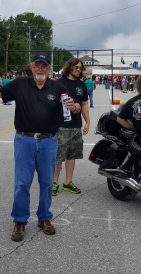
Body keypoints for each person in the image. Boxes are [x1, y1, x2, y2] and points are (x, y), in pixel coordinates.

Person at [0, 53, 80, 242]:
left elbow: (72, 108)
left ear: (49, 69)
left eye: (44, 65)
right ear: (32, 67)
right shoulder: (20, 83)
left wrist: (75, 106)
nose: (41, 68)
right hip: (24, 141)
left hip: (48, 141)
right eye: (37, 65)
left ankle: (44, 218)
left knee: (46, 183)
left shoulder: (58, 87)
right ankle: (20, 220)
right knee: (22, 183)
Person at [52, 57, 90, 196]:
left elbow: (85, 104)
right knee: (58, 157)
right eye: (76, 67)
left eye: (80, 68)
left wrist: (87, 122)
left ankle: (68, 182)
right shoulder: (58, 83)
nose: (78, 70)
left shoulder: (82, 85)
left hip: (75, 126)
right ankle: (54, 183)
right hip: (60, 126)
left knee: (72, 155)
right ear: (70, 67)